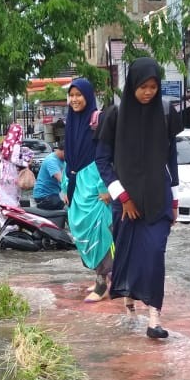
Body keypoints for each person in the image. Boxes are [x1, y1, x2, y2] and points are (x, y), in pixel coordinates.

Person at [95, 57, 184, 339]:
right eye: (143, 87)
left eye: (154, 87)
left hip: (158, 199)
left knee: (156, 254)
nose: (148, 92)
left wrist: (175, 199)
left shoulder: (167, 113)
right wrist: (123, 197)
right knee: (129, 253)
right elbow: (102, 160)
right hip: (126, 204)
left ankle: (154, 318)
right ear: (132, 85)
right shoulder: (115, 116)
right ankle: (129, 296)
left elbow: (171, 157)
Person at [63, 77, 115, 303]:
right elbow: (69, 156)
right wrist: (65, 185)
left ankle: (102, 284)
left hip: (95, 183)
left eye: (79, 95)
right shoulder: (71, 121)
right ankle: (106, 278)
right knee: (81, 229)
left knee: (100, 231)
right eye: (71, 95)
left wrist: (105, 186)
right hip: (76, 185)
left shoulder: (97, 120)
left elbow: (105, 154)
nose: (74, 99)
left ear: (88, 96)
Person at [0, 123, 32, 225]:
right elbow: (14, 160)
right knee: (12, 197)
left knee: (3, 196)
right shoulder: (16, 145)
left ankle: (3, 221)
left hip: (2, 172)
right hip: (11, 173)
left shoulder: (4, 143)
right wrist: (25, 163)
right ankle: (12, 222)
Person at [32, 142, 67, 210]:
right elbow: (61, 179)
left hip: (54, 194)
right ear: (63, 150)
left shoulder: (64, 160)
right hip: (44, 196)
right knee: (67, 208)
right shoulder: (51, 160)